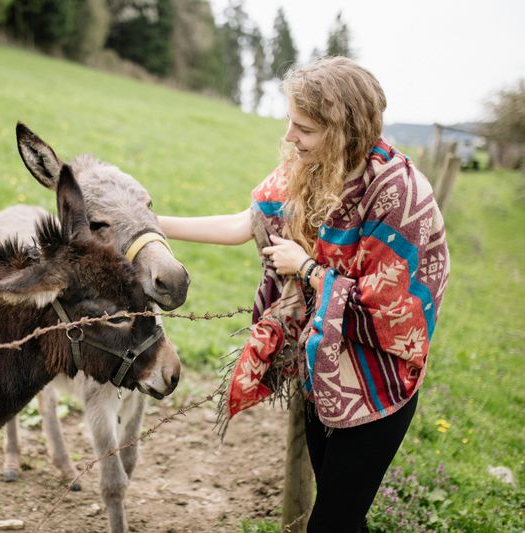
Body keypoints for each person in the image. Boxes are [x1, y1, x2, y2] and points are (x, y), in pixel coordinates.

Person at [158, 56, 449, 532]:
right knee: (344, 520)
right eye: (290, 122)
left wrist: (308, 268)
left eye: (305, 128)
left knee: (330, 523)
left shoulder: (400, 195)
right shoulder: (309, 168)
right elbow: (244, 223)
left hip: (379, 383)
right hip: (323, 371)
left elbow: (393, 315)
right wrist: (150, 223)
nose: (290, 136)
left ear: (344, 131)